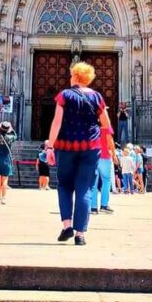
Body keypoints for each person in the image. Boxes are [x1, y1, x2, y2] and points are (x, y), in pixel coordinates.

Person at [48, 61, 109, 246]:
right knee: (85, 189)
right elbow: (106, 124)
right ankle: (80, 234)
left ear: (75, 76)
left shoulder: (64, 95)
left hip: (66, 147)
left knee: (65, 185)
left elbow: (56, 123)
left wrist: (50, 147)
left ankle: (67, 226)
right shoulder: (97, 97)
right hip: (90, 148)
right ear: (88, 78)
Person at [90, 120, 115, 214]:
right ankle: (104, 205)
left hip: (92, 157)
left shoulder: (89, 126)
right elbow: (110, 140)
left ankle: (93, 207)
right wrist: (114, 154)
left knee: (93, 183)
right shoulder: (106, 126)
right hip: (104, 156)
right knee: (106, 180)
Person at [0, 120, 16, 204]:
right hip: (6, 157)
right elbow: (15, 136)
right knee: (4, 179)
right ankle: (4, 197)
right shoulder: (10, 137)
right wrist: (11, 128)